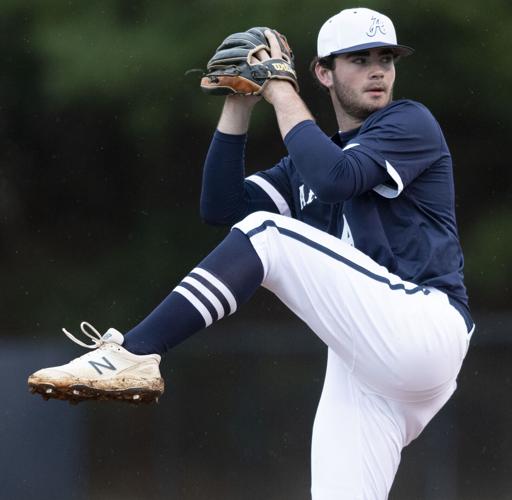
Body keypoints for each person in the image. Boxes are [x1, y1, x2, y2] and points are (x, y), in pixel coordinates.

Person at [28, 7, 474, 499]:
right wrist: (240, 100)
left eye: (386, 58)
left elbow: (334, 179)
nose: (377, 70)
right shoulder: (308, 162)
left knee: (269, 234)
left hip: (425, 324)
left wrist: (278, 89)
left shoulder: (409, 122)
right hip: (366, 363)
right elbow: (221, 207)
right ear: (324, 73)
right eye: (359, 58)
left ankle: (134, 352)